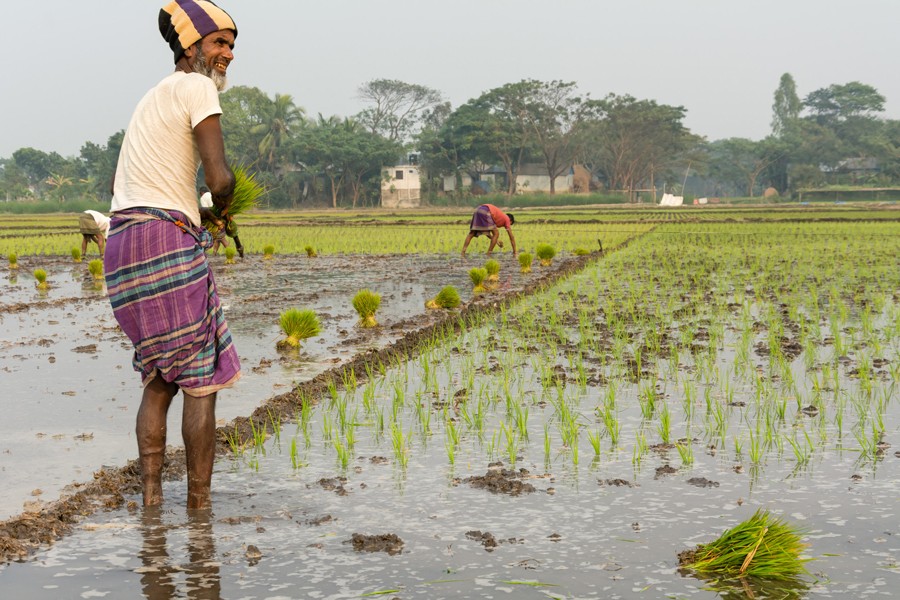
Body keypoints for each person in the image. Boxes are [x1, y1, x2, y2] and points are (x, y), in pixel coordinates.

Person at [104, 0, 241, 509]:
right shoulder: (197, 86)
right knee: (201, 379)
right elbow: (219, 177)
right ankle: (200, 505)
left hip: (122, 244)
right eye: (218, 43)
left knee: (162, 375)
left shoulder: (151, 96)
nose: (226, 54)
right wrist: (224, 208)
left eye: (231, 45)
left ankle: (152, 499)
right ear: (191, 47)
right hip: (164, 237)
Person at [199, 186, 229, 255]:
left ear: (201, 193)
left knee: (221, 238)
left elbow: (206, 210)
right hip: (220, 219)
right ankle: (214, 253)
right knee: (217, 238)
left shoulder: (203, 198)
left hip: (214, 220)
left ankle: (230, 252)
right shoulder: (212, 195)